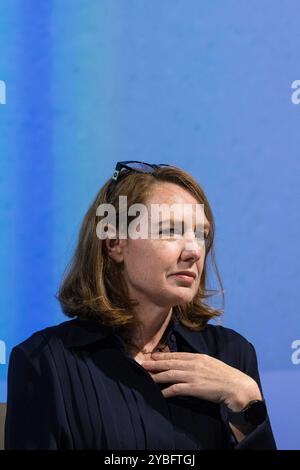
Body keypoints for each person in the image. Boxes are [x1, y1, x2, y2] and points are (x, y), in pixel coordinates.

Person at [5, 161, 277, 450]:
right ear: (114, 243)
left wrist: (245, 398)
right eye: (170, 230)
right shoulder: (45, 361)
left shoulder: (231, 354)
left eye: (201, 235)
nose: (194, 251)